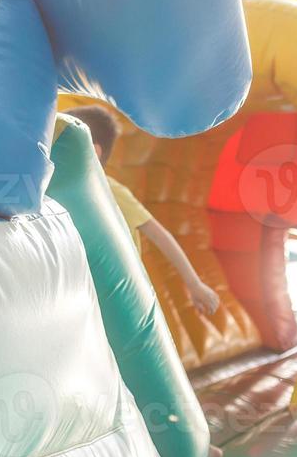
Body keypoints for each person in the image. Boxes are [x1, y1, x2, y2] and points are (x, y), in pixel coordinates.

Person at [60, 105, 221, 316]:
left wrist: (194, 284)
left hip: (125, 290)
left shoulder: (110, 190)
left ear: (93, 150)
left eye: (62, 143)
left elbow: (158, 234)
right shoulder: (66, 190)